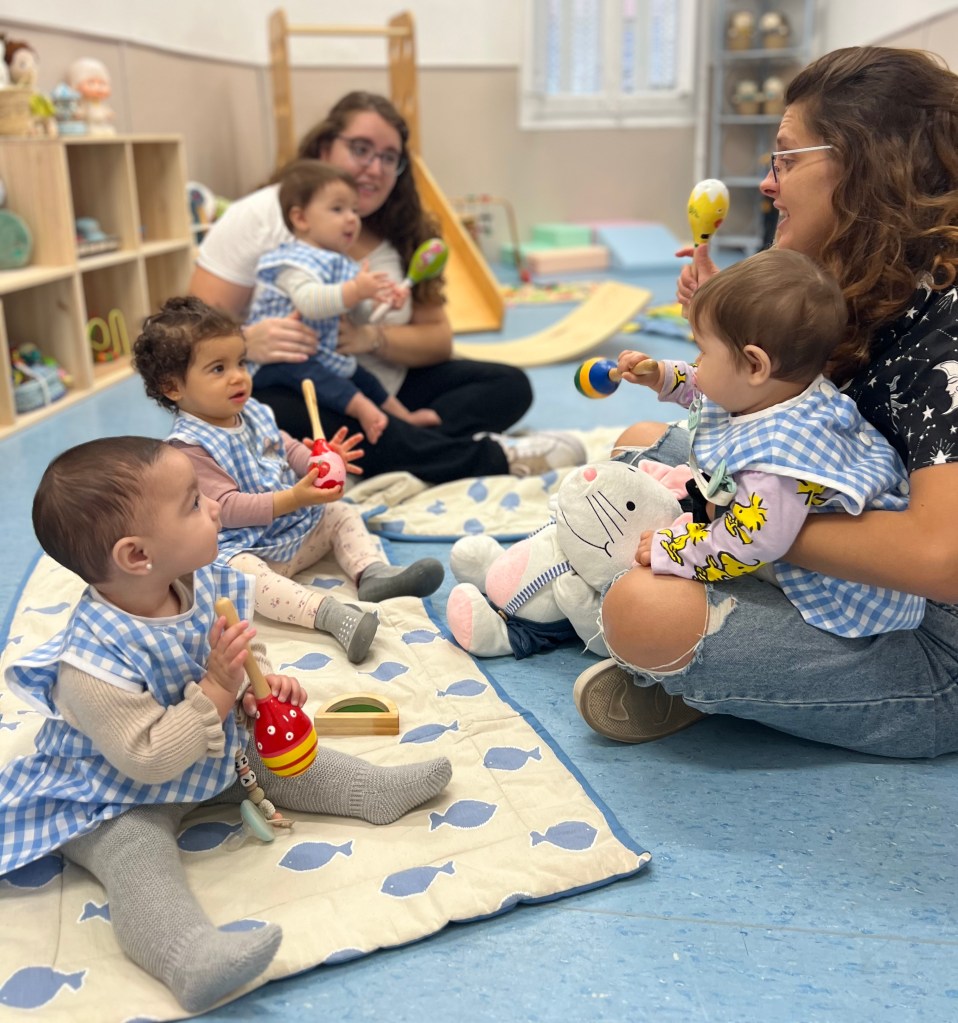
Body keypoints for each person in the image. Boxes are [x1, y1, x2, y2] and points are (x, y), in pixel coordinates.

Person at [574, 46, 958, 757]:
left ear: (863, 165)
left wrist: (741, 528)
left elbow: (943, 558)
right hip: (821, 532)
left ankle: (690, 662)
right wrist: (725, 325)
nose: (767, 181)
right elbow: (773, 408)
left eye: (786, 158)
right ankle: (708, 663)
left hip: (926, 640)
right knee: (638, 440)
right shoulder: (863, 274)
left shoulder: (947, 327)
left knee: (641, 608)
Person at [0, 436, 452, 1012]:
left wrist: (257, 687)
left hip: (207, 746)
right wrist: (216, 689)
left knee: (280, 759)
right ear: (136, 555)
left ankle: (370, 790)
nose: (215, 506)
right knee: (136, 859)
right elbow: (148, 758)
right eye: (194, 503)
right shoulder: (91, 665)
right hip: (113, 790)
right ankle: (187, 956)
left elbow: (239, 649)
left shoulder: (198, 579)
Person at [189, 90, 585, 481]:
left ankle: (400, 449)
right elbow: (191, 328)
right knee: (279, 411)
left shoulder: (404, 230)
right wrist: (247, 342)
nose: (375, 168)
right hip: (300, 384)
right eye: (360, 149)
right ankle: (485, 458)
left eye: (389, 158)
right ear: (325, 148)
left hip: (384, 384)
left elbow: (437, 340)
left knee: (508, 385)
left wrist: (371, 336)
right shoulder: (264, 216)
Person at [622, 247, 923, 639]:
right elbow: (712, 387)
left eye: (703, 350)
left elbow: (745, 544)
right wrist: (662, 375)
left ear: (755, 364)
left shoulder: (777, 462)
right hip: (771, 527)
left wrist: (675, 549)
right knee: (637, 441)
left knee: (643, 598)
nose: (697, 361)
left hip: (832, 587)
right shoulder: (786, 388)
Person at [133, 297, 445, 664]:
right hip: (249, 547)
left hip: (294, 531)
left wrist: (319, 461)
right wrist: (295, 498)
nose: (238, 376)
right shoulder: (189, 447)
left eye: (241, 362)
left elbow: (286, 446)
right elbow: (229, 509)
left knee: (340, 512)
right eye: (218, 368)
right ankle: (331, 616)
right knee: (242, 576)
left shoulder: (252, 411)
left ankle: (372, 574)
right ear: (173, 387)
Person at [248, 159, 438, 444]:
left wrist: (382, 303)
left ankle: (404, 417)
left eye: (354, 210)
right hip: (281, 359)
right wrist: (355, 289)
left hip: (319, 354)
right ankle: (363, 410)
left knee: (363, 376)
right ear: (301, 219)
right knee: (325, 380)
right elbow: (310, 302)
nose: (351, 219)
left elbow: (357, 315)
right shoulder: (292, 261)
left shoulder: (342, 263)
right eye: (338, 209)